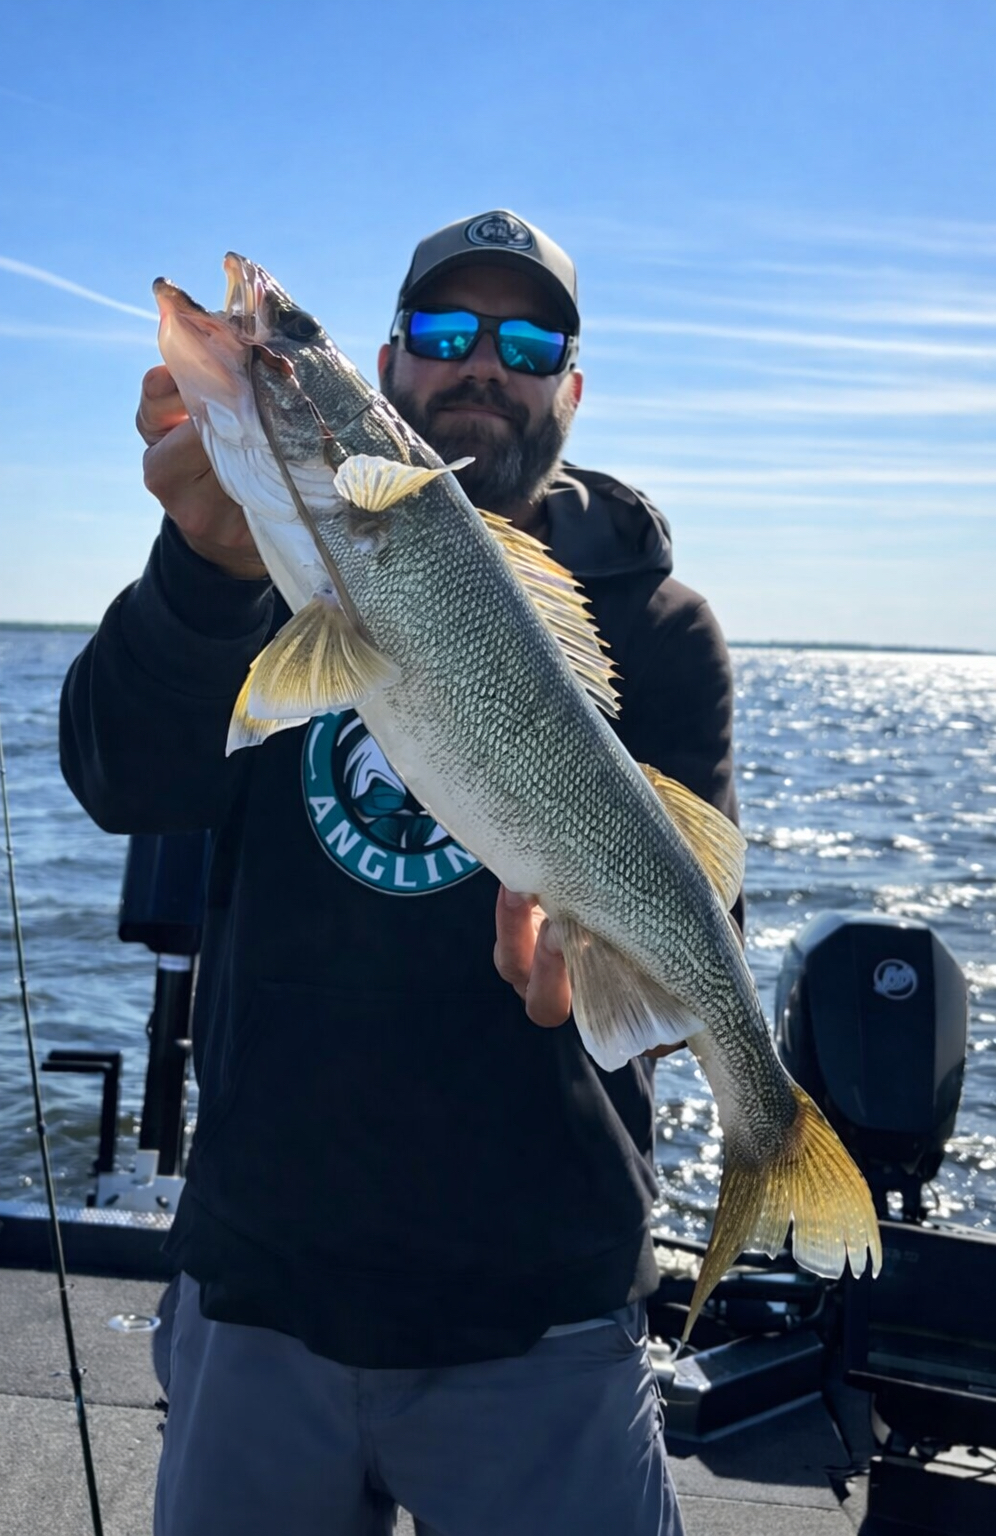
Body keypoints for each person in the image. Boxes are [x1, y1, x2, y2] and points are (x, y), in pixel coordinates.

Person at [61, 210, 740, 1536]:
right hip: (264, 1281)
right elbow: (119, 779)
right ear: (385, 373)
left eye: (529, 339)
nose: (483, 363)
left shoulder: (657, 627)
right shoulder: (265, 568)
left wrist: (599, 972)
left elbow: (691, 915)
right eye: (445, 334)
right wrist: (203, 574)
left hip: (539, 1312)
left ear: (572, 388)